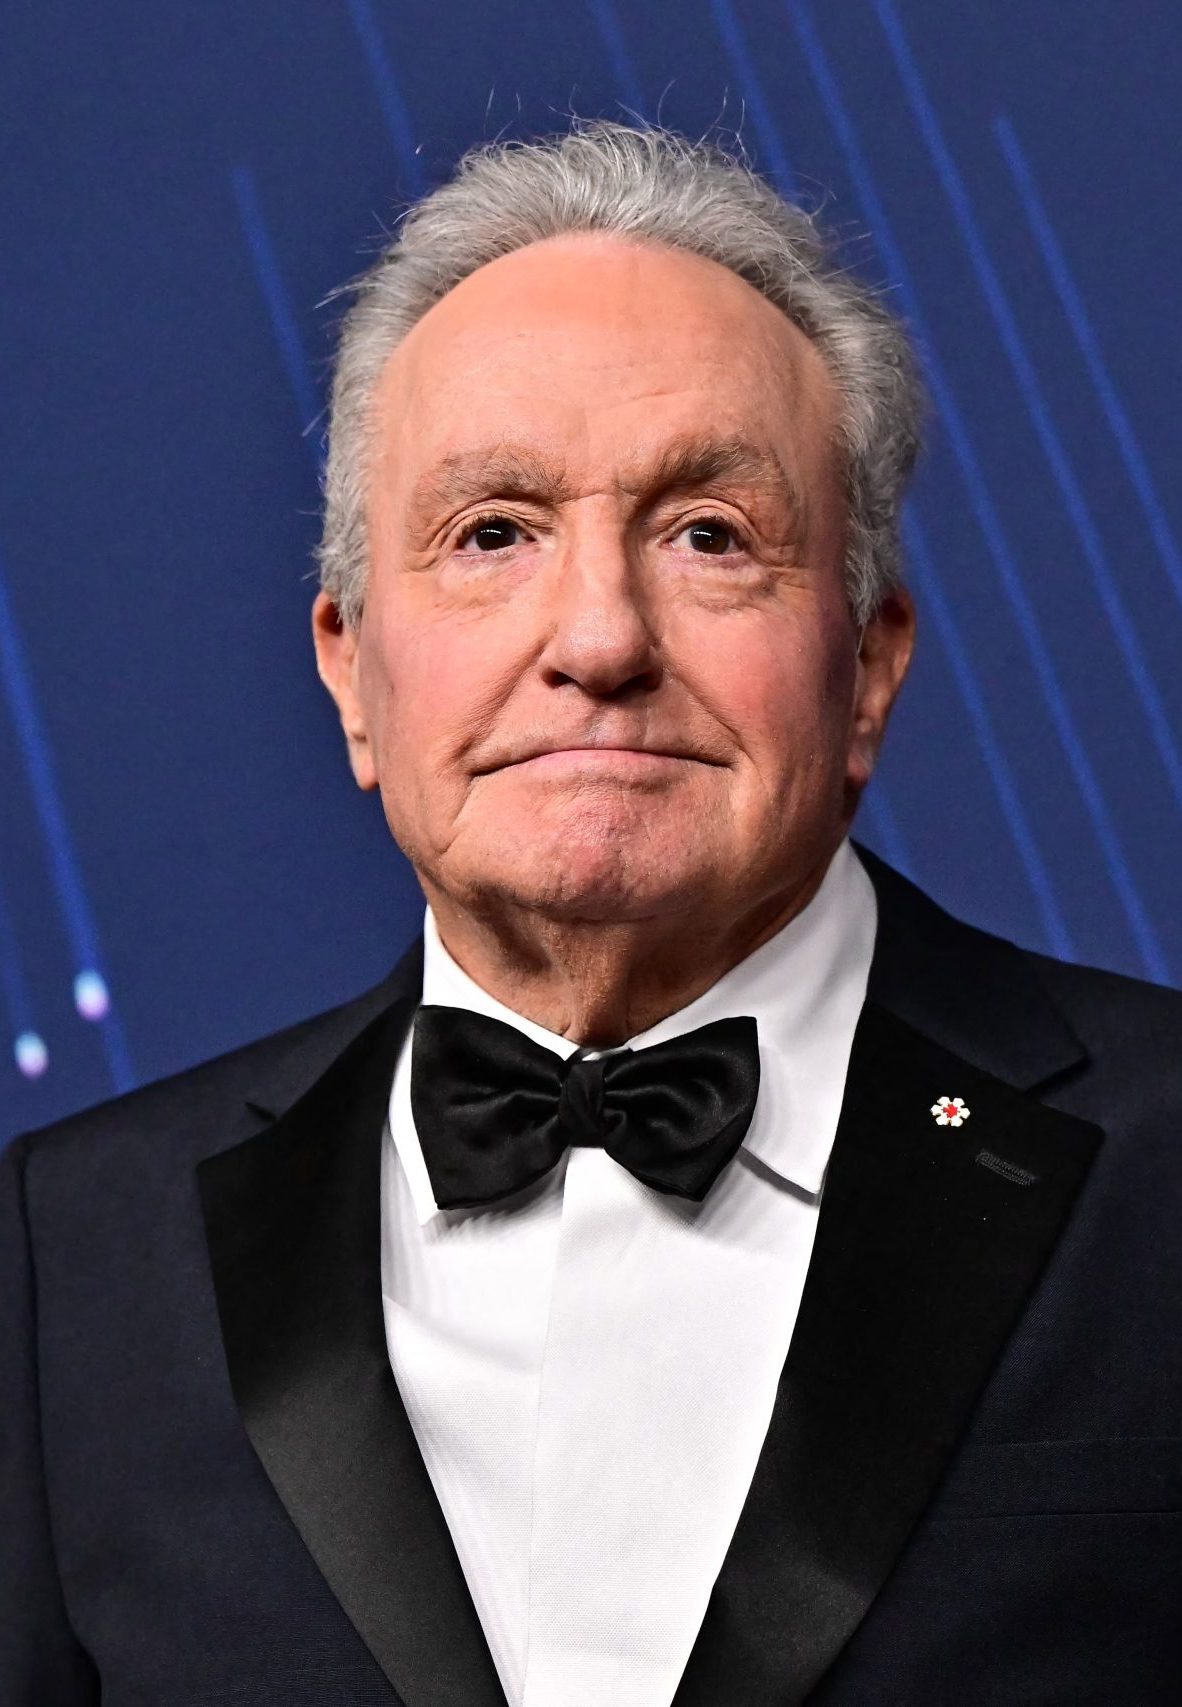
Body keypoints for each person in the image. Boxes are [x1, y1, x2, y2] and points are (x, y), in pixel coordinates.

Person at [2, 121, 1178, 1707]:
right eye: (492, 532)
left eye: (709, 536)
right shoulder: (67, 1255)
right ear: (351, 671)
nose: (601, 640)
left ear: (868, 667)